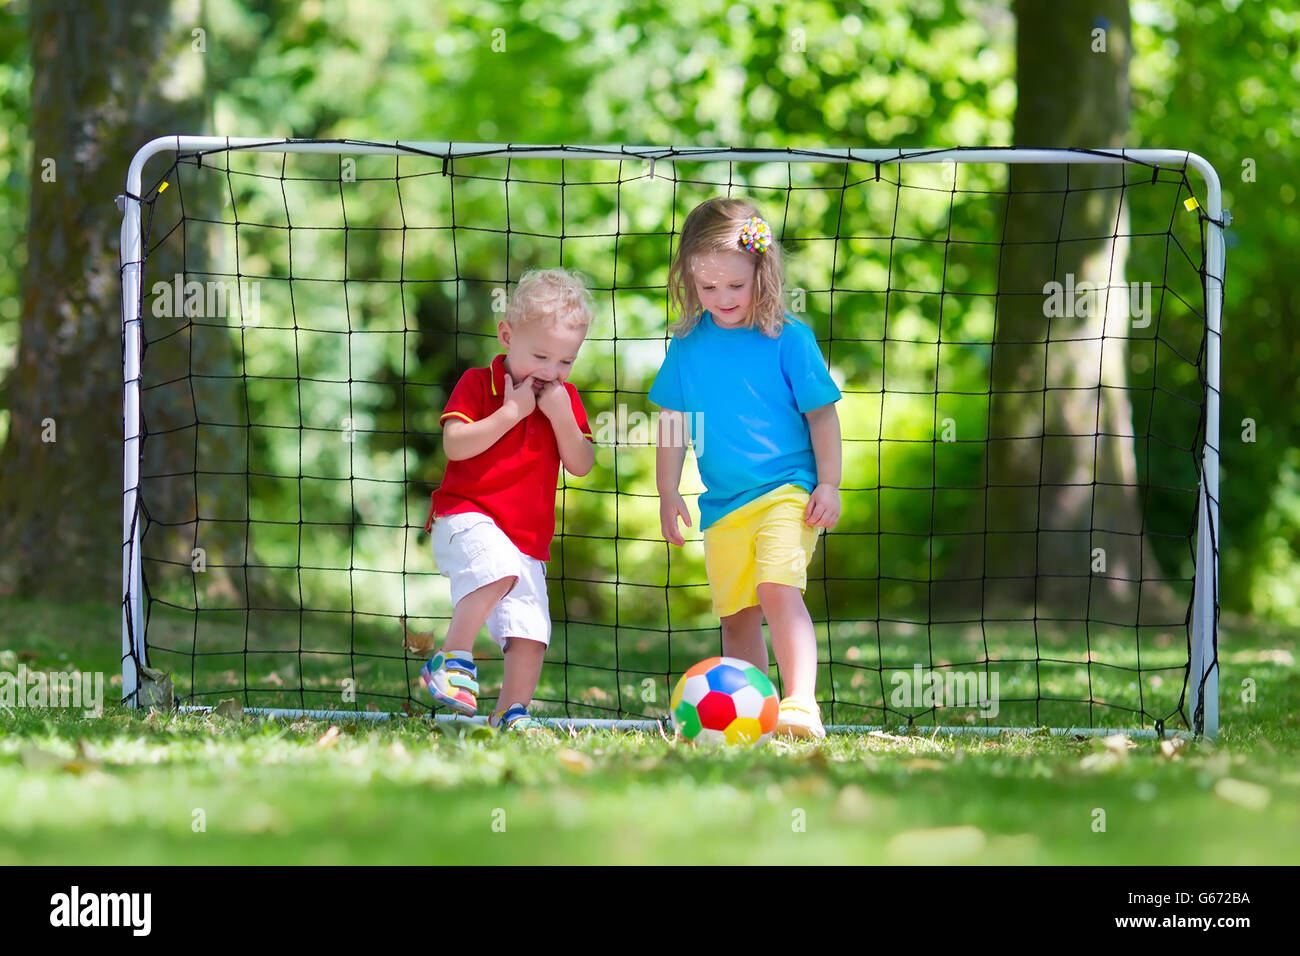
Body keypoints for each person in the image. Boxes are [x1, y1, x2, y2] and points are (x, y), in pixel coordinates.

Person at [650, 198, 843, 739]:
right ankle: (754, 715)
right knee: (736, 616)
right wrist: (668, 492)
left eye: (736, 286)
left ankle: (801, 703)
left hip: (788, 492)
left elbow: (823, 418)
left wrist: (829, 482)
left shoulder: (789, 339)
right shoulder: (687, 346)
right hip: (724, 506)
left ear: (763, 271)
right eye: (708, 288)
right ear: (689, 280)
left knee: (778, 589)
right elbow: (671, 424)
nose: (723, 299)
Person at [417, 268, 595, 732]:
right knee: (497, 568)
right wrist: (512, 412)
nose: (550, 372)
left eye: (565, 363)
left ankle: (510, 712)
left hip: (526, 540)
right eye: (540, 356)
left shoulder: (563, 399)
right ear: (506, 335)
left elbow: (581, 463)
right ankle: (451, 659)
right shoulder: (480, 384)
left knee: (531, 630)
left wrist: (560, 417)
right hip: (464, 516)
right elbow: (456, 446)